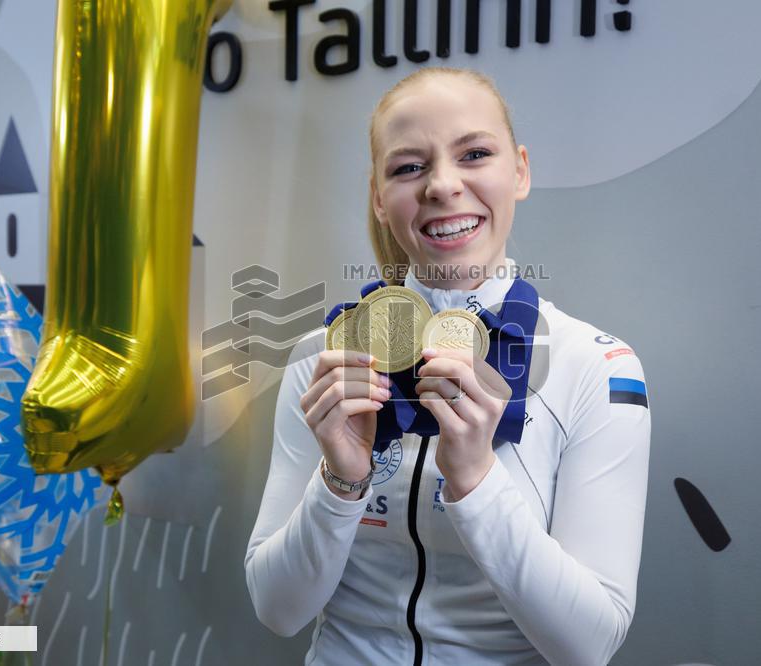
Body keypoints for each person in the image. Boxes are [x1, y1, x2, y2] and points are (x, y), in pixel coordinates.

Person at [245, 66, 651, 665]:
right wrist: (341, 482)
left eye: (474, 154)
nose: (442, 185)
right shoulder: (323, 358)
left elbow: (589, 645)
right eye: (409, 167)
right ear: (380, 199)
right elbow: (278, 610)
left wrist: (477, 479)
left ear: (519, 171)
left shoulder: (595, 366)